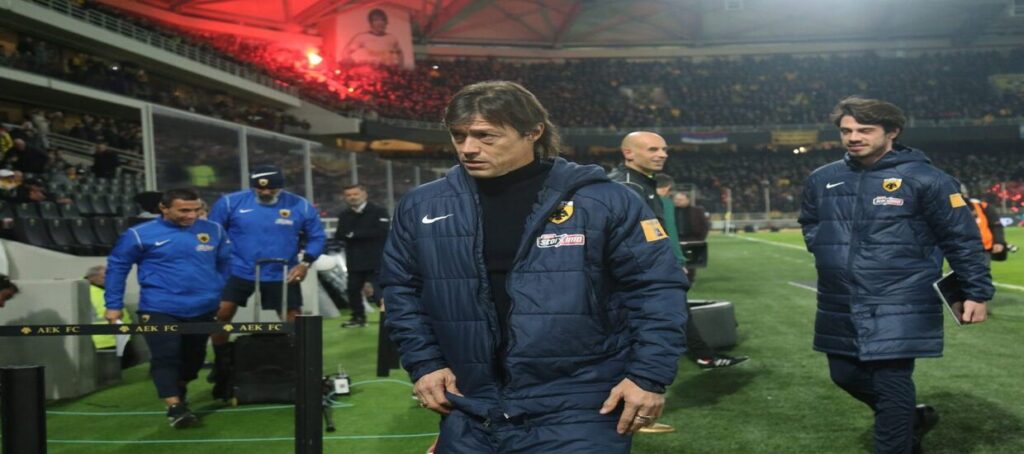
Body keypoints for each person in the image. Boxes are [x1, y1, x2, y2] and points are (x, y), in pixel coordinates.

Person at [381, 81, 687, 453]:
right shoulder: (422, 205)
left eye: (485, 136)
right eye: (459, 135)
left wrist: (647, 376)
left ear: (533, 132)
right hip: (469, 404)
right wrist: (425, 362)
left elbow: (656, 289)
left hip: (581, 403)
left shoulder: (604, 200)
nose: (467, 148)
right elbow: (401, 290)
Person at [798, 96, 994, 453]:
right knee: (844, 374)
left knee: (891, 383)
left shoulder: (928, 179)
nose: (853, 137)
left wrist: (976, 292)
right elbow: (810, 222)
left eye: (864, 130)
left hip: (901, 297)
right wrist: (827, 249)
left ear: (892, 132)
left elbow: (962, 239)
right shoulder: (823, 178)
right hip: (840, 297)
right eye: (846, 130)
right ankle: (909, 420)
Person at [609, 131, 749, 371]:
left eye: (664, 149)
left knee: (675, 315)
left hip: (650, 272)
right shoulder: (626, 186)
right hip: (638, 276)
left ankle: (702, 356)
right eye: (653, 149)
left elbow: (653, 231)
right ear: (628, 153)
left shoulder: (641, 183)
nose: (662, 154)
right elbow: (626, 238)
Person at [104, 188, 230, 428]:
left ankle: (178, 391)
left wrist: (216, 290)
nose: (192, 215)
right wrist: (113, 305)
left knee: (194, 361)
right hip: (159, 307)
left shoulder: (214, 230)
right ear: (164, 208)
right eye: (184, 210)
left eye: (196, 210)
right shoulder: (139, 234)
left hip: (203, 308)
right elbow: (117, 268)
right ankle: (174, 406)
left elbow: (225, 263)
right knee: (166, 354)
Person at [206, 165, 326, 398]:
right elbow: (212, 233)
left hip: (282, 271)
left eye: (271, 189)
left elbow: (317, 237)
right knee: (221, 313)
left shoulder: (299, 205)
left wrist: (305, 263)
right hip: (238, 269)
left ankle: (299, 366)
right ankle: (221, 364)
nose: (265, 192)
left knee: (293, 320)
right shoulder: (230, 203)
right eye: (260, 189)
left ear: (280, 186)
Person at [334, 184, 390, 328]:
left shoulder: (379, 211)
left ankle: (389, 318)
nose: (352, 197)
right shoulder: (344, 215)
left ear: (364, 194)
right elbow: (339, 235)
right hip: (354, 261)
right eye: (348, 195)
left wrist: (353, 235)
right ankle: (358, 318)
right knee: (352, 291)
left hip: (376, 260)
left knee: (379, 292)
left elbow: (382, 232)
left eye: (355, 194)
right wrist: (358, 235)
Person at [962, 186, 1006, 263]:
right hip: (960, 249)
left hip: (983, 248)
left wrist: (998, 242)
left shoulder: (983, 206)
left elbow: (996, 226)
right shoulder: (949, 209)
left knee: (981, 269)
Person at [672, 191, 710, 281]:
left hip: (692, 239)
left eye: (681, 199)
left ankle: (690, 280)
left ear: (687, 200)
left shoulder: (697, 210)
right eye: (676, 199)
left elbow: (705, 226)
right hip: (675, 240)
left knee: (690, 263)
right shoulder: (670, 210)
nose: (677, 201)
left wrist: (700, 239)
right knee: (674, 261)